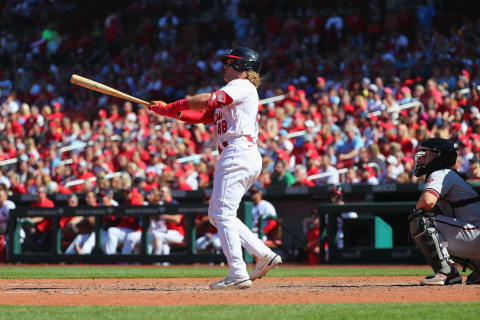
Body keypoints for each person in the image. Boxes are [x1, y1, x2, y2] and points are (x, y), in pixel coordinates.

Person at [148, 47, 281, 290]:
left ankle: (238, 272)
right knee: (216, 214)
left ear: (242, 67)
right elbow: (203, 116)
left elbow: (208, 100)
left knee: (222, 214)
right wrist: (169, 112)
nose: (225, 67)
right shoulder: (235, 92)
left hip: (238, 151)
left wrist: (172, 105)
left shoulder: (242, 85)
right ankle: (263, 254)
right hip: (240, 154)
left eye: (230, 63)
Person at [409, 138, 480, 285]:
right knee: (436, 235)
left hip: (475, 234)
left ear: (440, 157)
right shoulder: (448, 174)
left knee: (420, 220)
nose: (422, 157)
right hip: (474, 235)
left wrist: (415, 213)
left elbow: (427, 202)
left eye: (428, 153)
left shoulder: (440, 172)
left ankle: (447, 273)